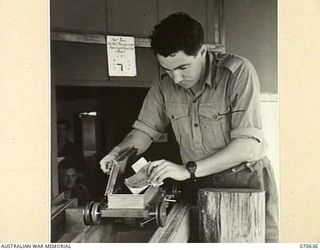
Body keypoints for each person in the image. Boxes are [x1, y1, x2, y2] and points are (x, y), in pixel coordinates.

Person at [99, 12, 278, 242]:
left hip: (243, 180)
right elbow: (144, 130)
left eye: (183, 67)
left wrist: (186, 170)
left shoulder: (237, 72)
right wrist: (118, 153)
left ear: (202, 51)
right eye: (167, 69)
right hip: (199, 183)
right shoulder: (164, 82)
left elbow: (247, 146)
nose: (175, 78)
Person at [57, 118, 89, 182]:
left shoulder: (74, 148)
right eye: (58, 129)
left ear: (67, 131)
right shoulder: (49, 147)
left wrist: (74, 176)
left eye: (63, 130)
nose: (60, 133)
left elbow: (83, 169)